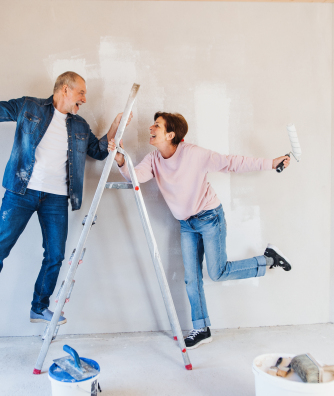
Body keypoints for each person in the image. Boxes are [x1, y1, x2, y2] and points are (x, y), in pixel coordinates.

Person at [0, 71, 126, 331]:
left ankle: (39, 308)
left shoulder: (80, 126)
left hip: (57, 198)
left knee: (55, 255)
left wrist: (117, 125)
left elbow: (98, 151)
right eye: (81, 92)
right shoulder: (29, 107)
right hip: (21, 192)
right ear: (65, 89)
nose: (84, 98)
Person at [114, 112, 292, 350]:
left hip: (209, 218)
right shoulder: (154, 158)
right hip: (187, 224)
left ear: (171, 134)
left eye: (157, 125)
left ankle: (269, 259)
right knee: (191, 278)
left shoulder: (194, 154)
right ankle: (201, 328)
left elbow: (231, 162)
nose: (151, 128)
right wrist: (120, 159)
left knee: (217, 273)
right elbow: (136, 177)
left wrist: (270, 163)